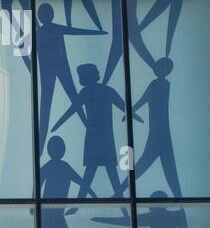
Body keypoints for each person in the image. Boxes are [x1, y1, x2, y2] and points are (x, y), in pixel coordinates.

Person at [51, 62, 130, 198]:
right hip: (104, 138)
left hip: (95, 138)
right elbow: (125, 107)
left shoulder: (88, 92)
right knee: (108, 172)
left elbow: (72, 110)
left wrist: (57, 124)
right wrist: (57, 124)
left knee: (92, 172)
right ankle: (123, 209)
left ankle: (81, 203)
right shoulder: (105, 90)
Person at [36, 3, 101, 147]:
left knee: (71, 101)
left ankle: (39, 146)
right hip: (52, 71)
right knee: (68, 102)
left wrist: (97, 33)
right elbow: (76, 31)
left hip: (58, 69)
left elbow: (76, 31)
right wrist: (97, 32)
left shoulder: (41, 31)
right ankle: (39, 146)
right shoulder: (40, 32)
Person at [132, 57, 182, 198]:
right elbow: (144, 99)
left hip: (159, 131)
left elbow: (144, 99)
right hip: (160, 130)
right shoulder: (162, 84)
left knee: (149, 165)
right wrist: (131, 111)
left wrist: (131, 111)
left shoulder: (159, 85)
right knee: (165, 166)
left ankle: (120, 192)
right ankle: (179, 198)